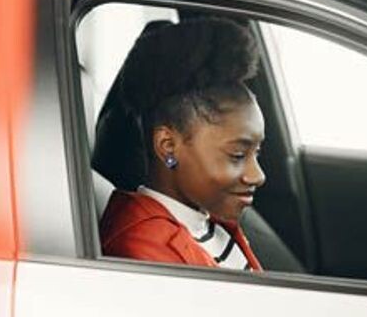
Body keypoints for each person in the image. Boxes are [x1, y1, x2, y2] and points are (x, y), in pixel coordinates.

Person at [98, 17, 266, 270]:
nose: (258, 175)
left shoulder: (206, 220)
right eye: (237, 154)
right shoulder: (143, 251)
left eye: (257, 152)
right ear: (168, 146)